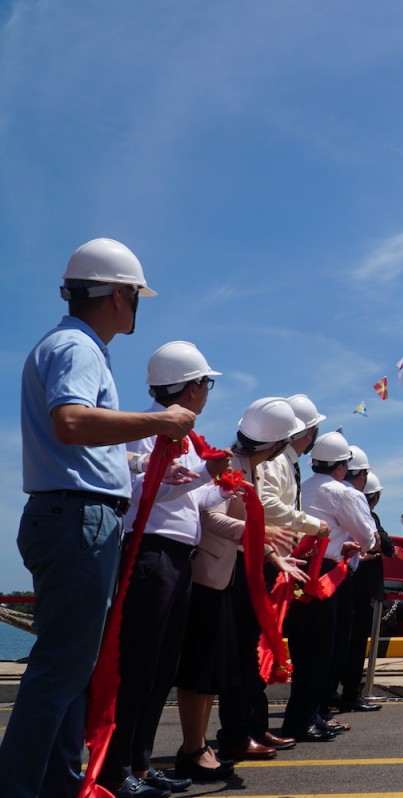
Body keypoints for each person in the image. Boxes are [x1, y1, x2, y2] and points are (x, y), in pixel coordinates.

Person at [0, 238, 195, 798]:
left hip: (68, 515)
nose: (137, 307)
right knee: (61, 669)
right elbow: (73, 422)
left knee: (68, 670)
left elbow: (76, 436)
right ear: (117, 296)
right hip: (78, 518)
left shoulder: (68, 346)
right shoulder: (79, 349)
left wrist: (131, 456)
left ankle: (60, 785)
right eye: (136, 296)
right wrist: (159, 424)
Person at [99, 342, 230, 798]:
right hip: (150, 553)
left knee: (160, 668)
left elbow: (194, 500)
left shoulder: (187, 438)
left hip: (176, 557)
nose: (207, 392)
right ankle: (118, 770)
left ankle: (140, 762)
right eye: (205, 384)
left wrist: (225, 484)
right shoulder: (145, 431)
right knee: (138, 666)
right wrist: (205, 476)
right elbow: (142, 493)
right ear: (191, 388)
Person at [174, 398, 307, 781]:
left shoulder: (248, 466)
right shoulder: (233, 468)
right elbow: (208, 514)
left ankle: (204, 743)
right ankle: (198, 746)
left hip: (231, 574)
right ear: (277, 445)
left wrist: (268, 553)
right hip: (213, 575)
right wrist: (256, 538)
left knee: (220, 667)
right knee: (204, 668)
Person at [216, 393, 330, 759]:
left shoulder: (256, 463)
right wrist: (287, 534)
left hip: (264, 559)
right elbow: (249, 512)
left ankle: (253, 726)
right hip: (242, 565)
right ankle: (238, 731)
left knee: (253, 648)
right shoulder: (247, 464)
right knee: (244, 652)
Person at [280, 432, 374, 742]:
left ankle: (310, 715)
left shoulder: (301, 487)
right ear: (341, 466)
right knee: (321, 652)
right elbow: (368, 535)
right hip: (327, 574)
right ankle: (305, 718)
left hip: (297, 568)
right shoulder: (342, 492)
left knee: (305, 650)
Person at [338, 470, 395, 712]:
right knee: (355, 644)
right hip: (358, 591)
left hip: (343, 587)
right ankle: (351, 694)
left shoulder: (343, 514)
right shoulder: (368, 518)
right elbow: (386, 546)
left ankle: (333, 694)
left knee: (340, 644)